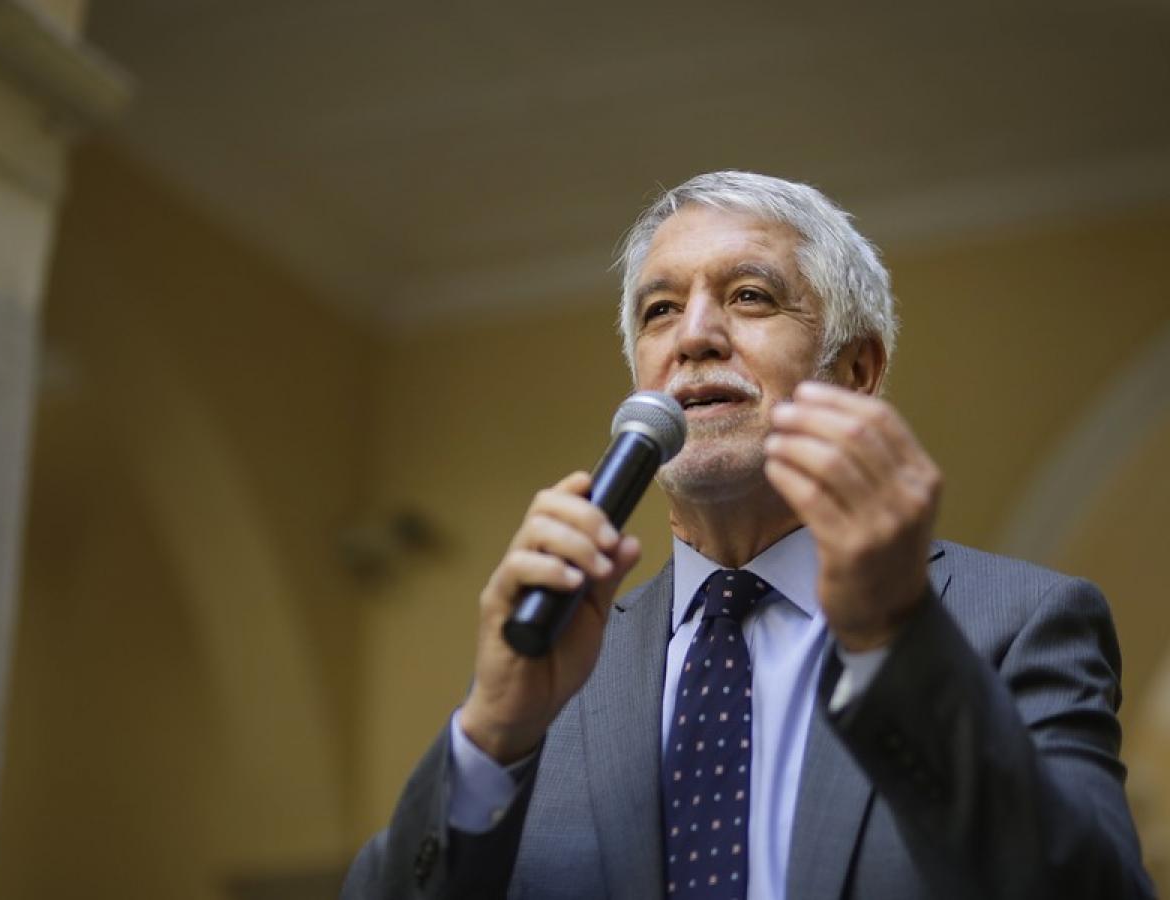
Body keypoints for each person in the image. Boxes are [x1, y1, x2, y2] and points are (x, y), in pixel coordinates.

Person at [341, 171, 1154, 899]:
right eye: (661, 310)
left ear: (856, 372)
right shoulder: (551, 667)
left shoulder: (1021, 621)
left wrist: (894, 639)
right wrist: (492, 734)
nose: (693, 336)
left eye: (750, 296)